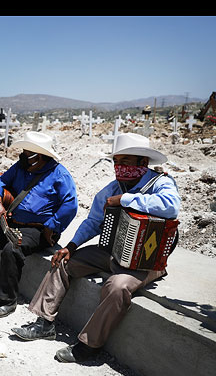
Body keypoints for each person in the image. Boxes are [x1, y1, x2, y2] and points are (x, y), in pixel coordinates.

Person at [11, 133, 181, 363]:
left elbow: (170, 207)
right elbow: (93, 222)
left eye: (126, 161)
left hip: (147, 259)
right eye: (117, 162)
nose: (120, 167)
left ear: (143, 162)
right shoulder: (112, 188)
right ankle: (44, 323)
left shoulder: (160, 183)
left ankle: (89, 346)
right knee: (62, 262)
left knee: (117, 286)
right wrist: (71, 246)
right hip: (113, 252)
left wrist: (125, 200)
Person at [0, 131, 78, 318]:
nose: (23, 156)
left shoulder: (60, 175)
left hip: (38, 229)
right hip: (12, 222)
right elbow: (0, 181)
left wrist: (52, 226)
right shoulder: (20, 167)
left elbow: (70, 205)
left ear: (40, 156)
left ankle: (7, 300)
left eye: (28, 153)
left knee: (12, 249)